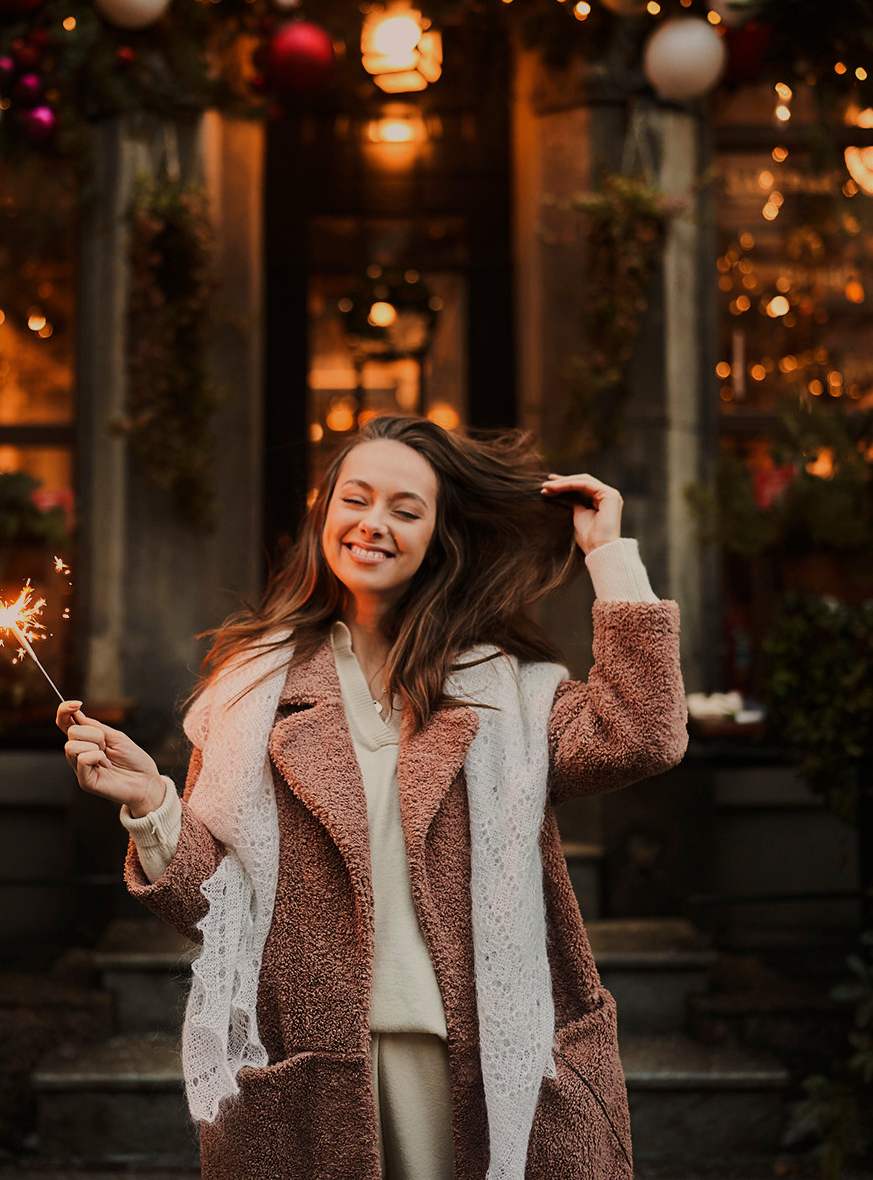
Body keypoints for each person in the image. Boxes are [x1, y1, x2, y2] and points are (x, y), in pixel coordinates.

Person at [56, 415, 687, 1180]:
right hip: (315, 1071)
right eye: (356, 499)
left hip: (487, 1067)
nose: (374, 524)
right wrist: (153, 802)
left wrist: (609, 556)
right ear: (324, 512)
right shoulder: (251, 689)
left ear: (438, 536)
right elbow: (210, 911)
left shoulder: (507, 694)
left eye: (405, 509)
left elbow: (645, 733)